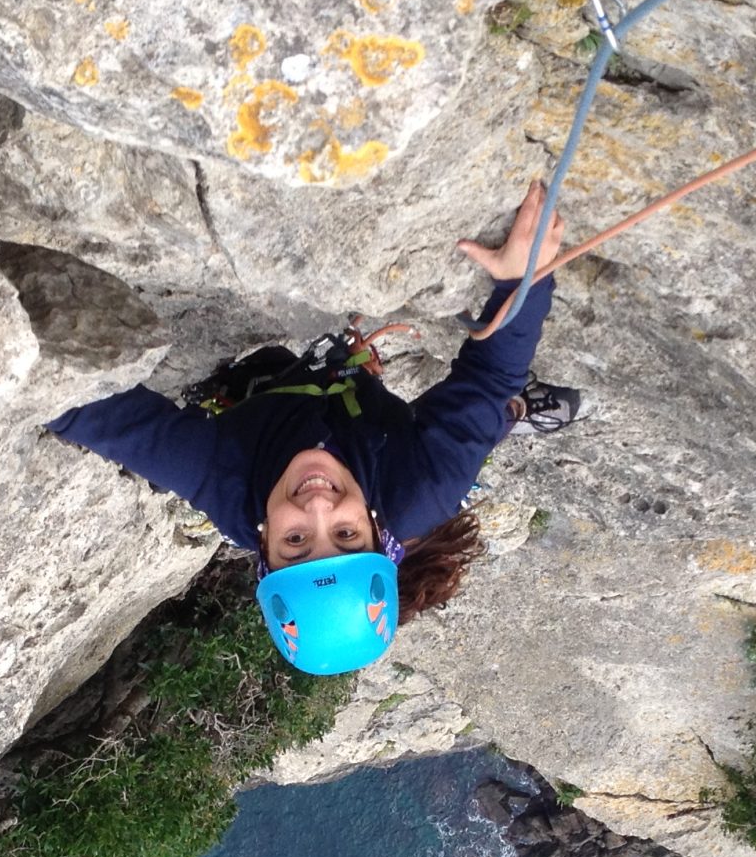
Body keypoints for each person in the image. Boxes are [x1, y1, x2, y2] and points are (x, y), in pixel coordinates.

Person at [43, 181, 585, 675]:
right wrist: (523, 279)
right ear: (378, 530)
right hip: (389, 435)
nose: (318, 507)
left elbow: (89, 412)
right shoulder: (422, 490)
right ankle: (519, 415)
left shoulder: (224, 483)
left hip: (285, 389)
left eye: (296, 541)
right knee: (487, 419)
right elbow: (488, 376)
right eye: (346, 536)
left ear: (262, 545)